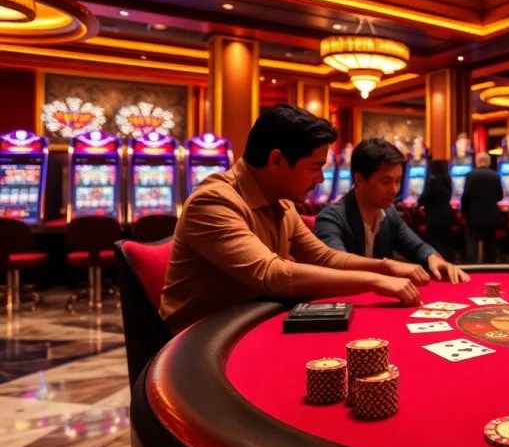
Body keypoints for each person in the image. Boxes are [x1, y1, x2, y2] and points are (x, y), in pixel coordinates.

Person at [159, 105, 428, 335]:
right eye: (315, 167)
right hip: (194, 345)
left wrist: (385, 266)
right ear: (276, 161)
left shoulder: (282, 203)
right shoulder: (214, 201)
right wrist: (374, 281)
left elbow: (325, 257)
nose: (321, 179)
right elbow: (272, 274)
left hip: (247, 325)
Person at [316, 138, 470, 283]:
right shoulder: (331, 218)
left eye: (398, 181)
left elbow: (417, 247)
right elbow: (338, 262)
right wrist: (387, 266)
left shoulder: (389, 214)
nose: (394, 190)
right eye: (386, 182)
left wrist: (433, 258)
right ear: (359, 179)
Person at [460, 152, 503, 263]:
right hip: (491, 216)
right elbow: (500, 196)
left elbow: (465, 197)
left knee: (472, 243)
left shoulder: (470, 175)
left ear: (477, 162)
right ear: (488, 162)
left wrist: (464, 214)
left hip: (473, 215)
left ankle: (472, 267)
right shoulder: (495, 175)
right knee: (490, 244)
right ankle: (490, 266)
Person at [417, 160, 456, 262]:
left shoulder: (432, 182)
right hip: (447, 215)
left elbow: (423, 199)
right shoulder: (448, 181)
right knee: (446, 243)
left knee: (428, 241)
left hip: (435, 217)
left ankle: (430, 262)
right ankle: (449, 263)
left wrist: (421, 204)